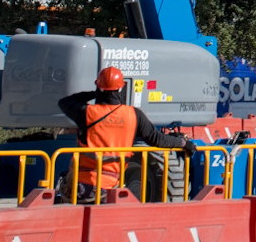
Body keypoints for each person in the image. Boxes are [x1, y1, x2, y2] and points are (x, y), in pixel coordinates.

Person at [57, 67, 190, 204]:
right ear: (121, 89)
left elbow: (64, 102)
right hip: (111, 188)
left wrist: (94, 94)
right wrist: (183, 143)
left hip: (82, 186)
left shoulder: (87, 113)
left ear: (98, 87)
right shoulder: (134, 115)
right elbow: (157, 139)